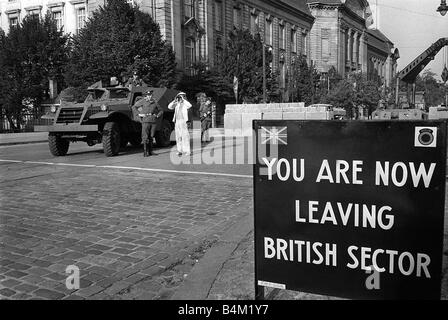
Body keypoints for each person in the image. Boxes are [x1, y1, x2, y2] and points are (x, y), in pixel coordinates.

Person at [132, 89, 162, 157]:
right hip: (145, 121)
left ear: (152, 95)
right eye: (148, 95)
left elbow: (161, 110)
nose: (149, 96)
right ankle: (145, 152)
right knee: (145, 137)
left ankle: (151, 151)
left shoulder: (155, 102)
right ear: (146, 95)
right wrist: (139, 114)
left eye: (150, 95)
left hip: (153, 121)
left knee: (151, 136)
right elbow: (134, 107)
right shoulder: (142, 101)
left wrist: (157, 115)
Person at [168, 92, 192, 156]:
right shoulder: (177, 103)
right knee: (178, 137)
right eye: (179, 96)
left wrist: (183, 100)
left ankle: (187, 151)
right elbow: (169, 107)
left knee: (185, 137)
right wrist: (174, 100)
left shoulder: (185, 103)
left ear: (184, 97)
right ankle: (179, 150)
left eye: (181, 96)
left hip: (183, 121)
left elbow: (190, 105)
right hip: (177, 121)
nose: (180, 98)